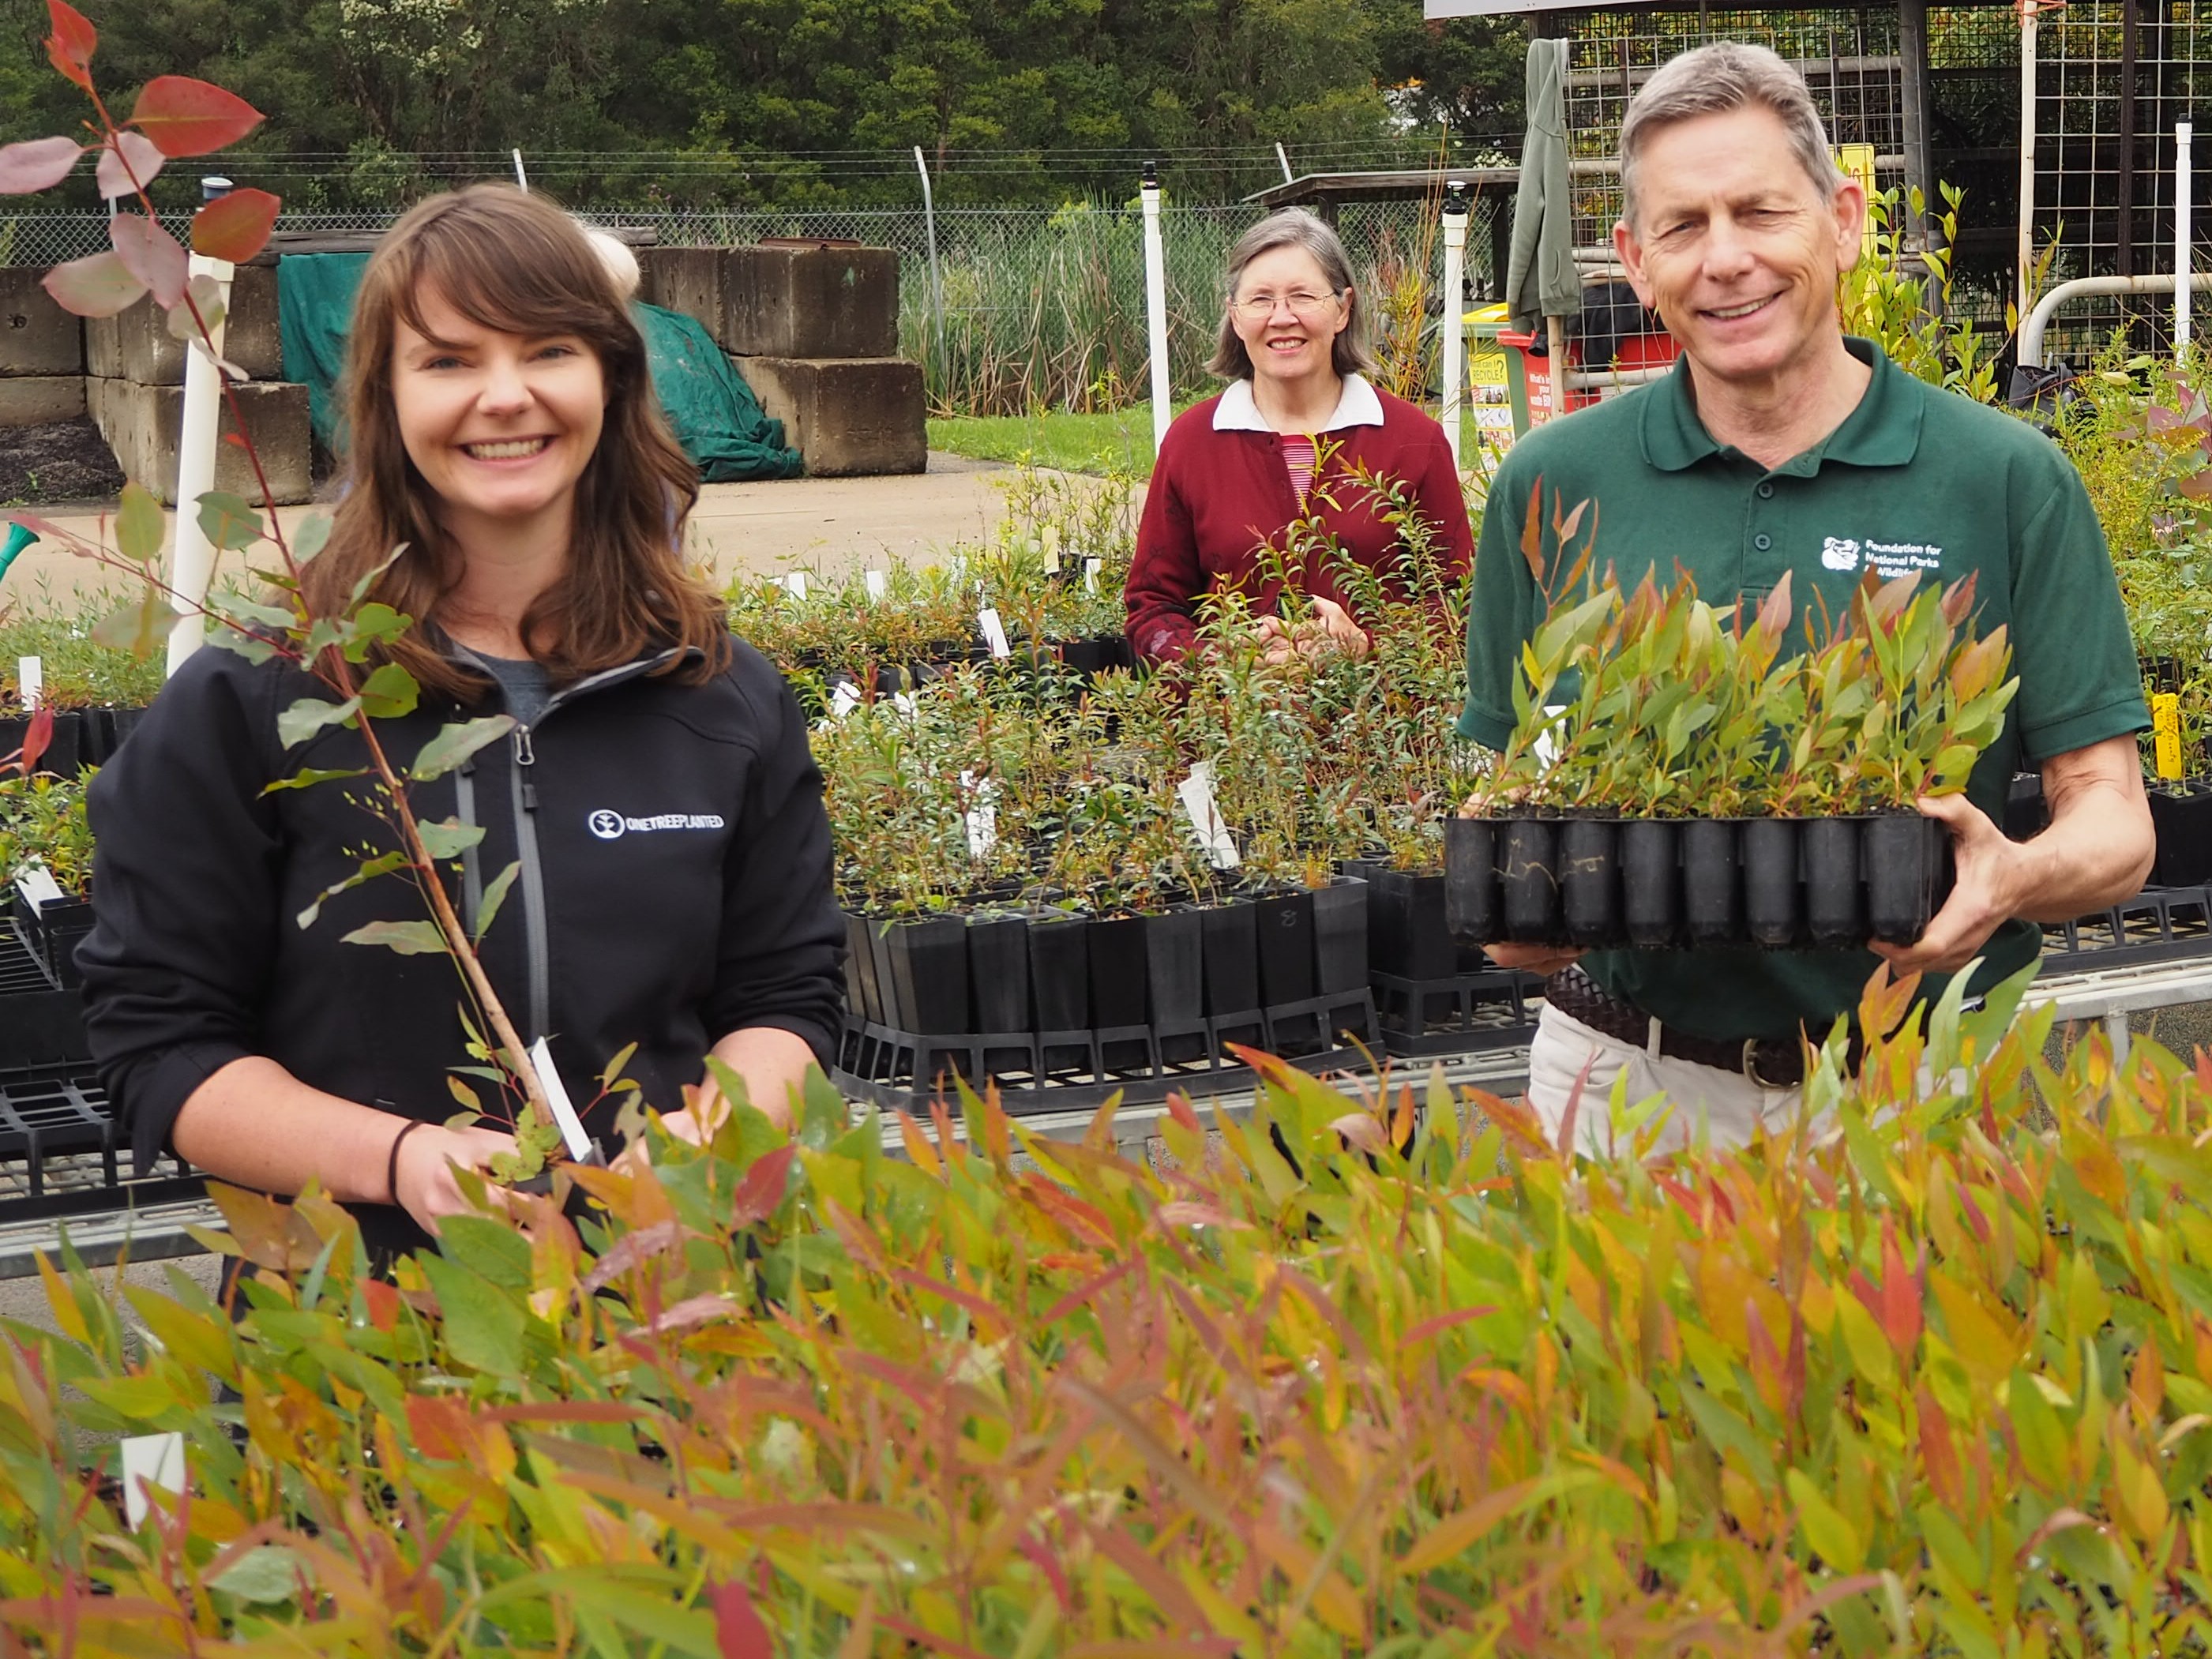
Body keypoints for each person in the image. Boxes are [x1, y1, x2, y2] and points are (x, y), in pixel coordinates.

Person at [79, 185, 846, 1262]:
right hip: (363, 1341)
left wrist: (703, 1145)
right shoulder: (264, 694)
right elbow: (159, 1044)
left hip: (676, 1312)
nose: (504, 396)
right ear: (382, 401)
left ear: (611, 380)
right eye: (446, 361)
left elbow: (785, 999)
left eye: (548, 351)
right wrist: (399, 1162)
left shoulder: (718, 693)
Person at [1459, 43, 2154, 1149]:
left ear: (1840, 219)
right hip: (1621, 1086)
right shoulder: (1554, 483)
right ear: (1636, 262)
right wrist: (1518, 903)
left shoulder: (2003, 475)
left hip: (1915, 1089)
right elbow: (1499, 786)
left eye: (1760, 213)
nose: (1725, 259)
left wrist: (2015, 873)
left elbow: (2113, 818)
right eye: (1683, 227)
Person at [1125, 208, 1474, 665]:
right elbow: (1153, 605)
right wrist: (1225, 665)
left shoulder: (1414, 442)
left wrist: (1366, 648)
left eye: (1303, 296)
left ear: (1343, 309)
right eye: (1261, 299)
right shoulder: (1192, 444)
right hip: (1234, 728)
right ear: (1234, 315)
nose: (1282, 317)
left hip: (1378, 726)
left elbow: (1458, 604)